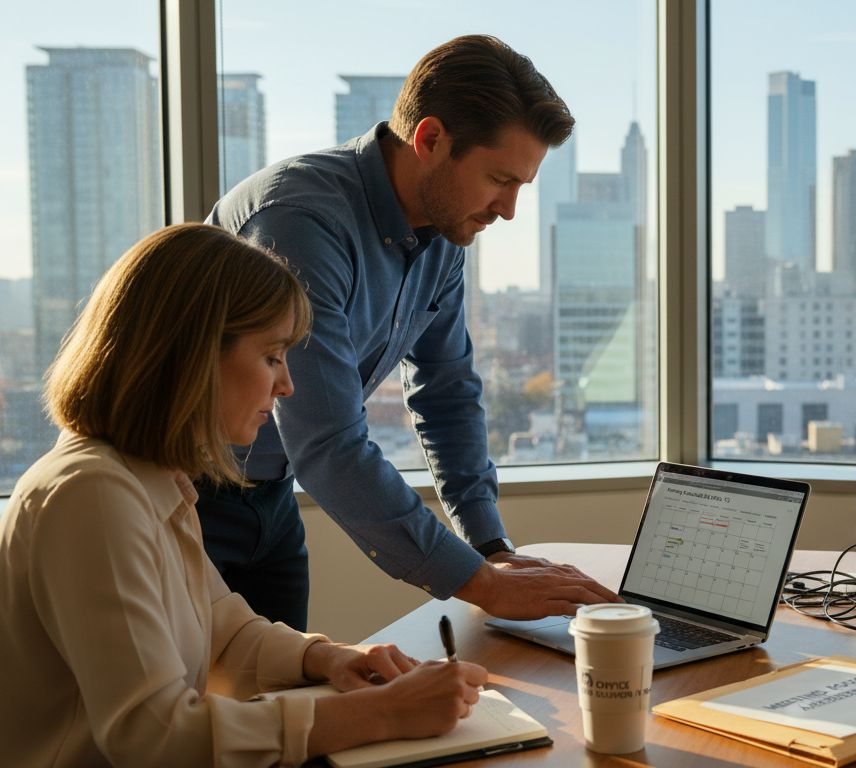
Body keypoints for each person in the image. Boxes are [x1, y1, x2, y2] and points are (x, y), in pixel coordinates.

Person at [0, 224, 488, 767]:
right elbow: (152, 734)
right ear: (194, 355)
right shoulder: (91, 496)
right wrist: (383, 713)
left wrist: (329, 658)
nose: (286, 387)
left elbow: (224, 635)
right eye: (273, 356)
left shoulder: (148, 478)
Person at [202, 34, 618, 630]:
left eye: (522, 186)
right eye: (500, 179)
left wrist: (489, 549)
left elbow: (446, 391)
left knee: (281, 694)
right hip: (184, 496)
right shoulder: (301, 224)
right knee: (182, 710)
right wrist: (480, 586)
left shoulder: (446, 235)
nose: (509, 210)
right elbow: (327, 440)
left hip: (272, 495)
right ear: (430, 139)